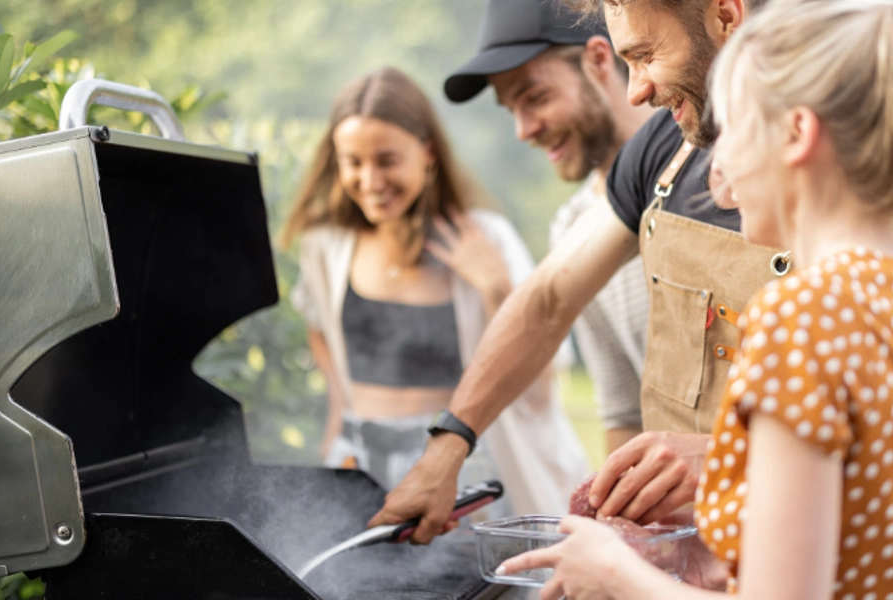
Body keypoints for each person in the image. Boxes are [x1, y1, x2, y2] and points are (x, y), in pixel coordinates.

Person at [500, 1, 893, 597]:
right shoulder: (878, 294)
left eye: (734, 129)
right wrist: (712, 560)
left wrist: (611, 572)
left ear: (796, 135)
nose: (719, 172)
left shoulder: (801, 315)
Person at [370, 0, 786, 542]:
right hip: (690, 561)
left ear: (726, 17)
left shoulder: (856, 148)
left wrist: (726, 458)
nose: (636, 91)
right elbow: (547, 303)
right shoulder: (661, 148)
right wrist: (446, 448)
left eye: (645, 54)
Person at [282, 66, 588, 514]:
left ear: (427, 152)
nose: (370, 181)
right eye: (353, 162)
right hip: (357, 459)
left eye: (386, 160)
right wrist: (337, 411)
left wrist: (496, 286)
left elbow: (542, 376)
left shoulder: (487, 238)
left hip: (456, 465)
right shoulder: (327, 245)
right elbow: (318, 325)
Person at [444, 0, 656, 456]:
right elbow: (624, 414)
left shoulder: (708, 170)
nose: (523, 130)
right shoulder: (570, 228)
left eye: (536, 97)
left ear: (600, 59)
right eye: (511, 110)